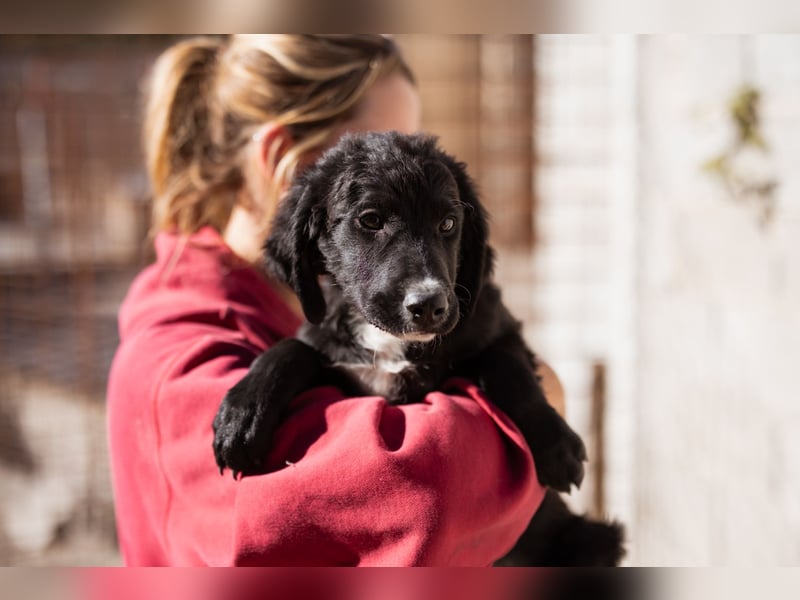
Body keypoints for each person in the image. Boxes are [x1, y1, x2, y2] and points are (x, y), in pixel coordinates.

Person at [107, 34, 564, 566]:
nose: (400, 164)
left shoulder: (292, 309)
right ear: (284, 159)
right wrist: (541, 400)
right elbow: (418, 496)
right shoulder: (183, 365)